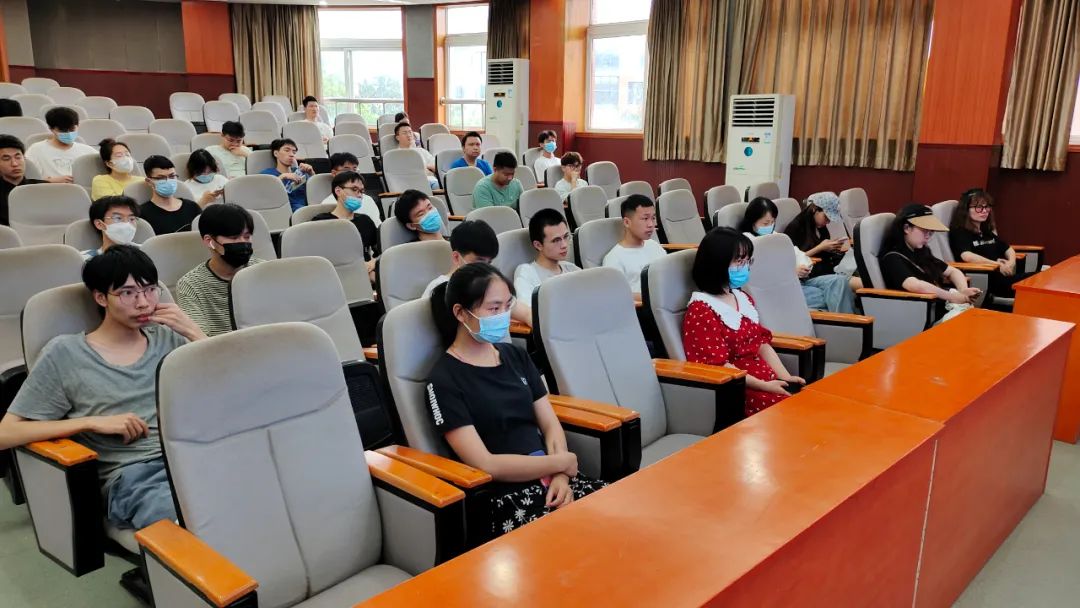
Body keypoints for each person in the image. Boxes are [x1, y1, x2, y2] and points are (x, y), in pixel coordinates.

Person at [0, 245, 207, 529]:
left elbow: (231, 391)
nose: (143, 303)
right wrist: (90, 423)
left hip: (194, 456)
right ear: (100, 297)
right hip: (136, 477)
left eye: (150, 290)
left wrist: (194, 332)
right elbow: (6, 433)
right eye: (127, 293)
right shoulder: (66, 353)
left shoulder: (168, 337)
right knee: (199, 523)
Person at [426, 263, 604, 536]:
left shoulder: (515, 356)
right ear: (461, 313)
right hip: (508, 498)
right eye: (493, 308)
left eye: (507, 305)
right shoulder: (443, 380)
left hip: (556, 480)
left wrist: (561, 477)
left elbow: (549, 425)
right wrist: (561, 464)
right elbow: (485, 463)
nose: (503, 316)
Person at [682, 228, 805, 416]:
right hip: (739, 390)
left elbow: (761, 345)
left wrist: (786, 378)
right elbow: (718, 366)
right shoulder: (701, 310)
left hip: (767, 381)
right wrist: (765, 385)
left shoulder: (742, 298)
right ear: (717, 264)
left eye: (748, 261)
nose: (745, 267)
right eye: (739, 261)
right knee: (796, 415)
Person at [740, 196, 856, 314]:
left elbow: (797, 254)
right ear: (752, 222)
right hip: (780, 287)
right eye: (766, 223)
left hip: (798, 280)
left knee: (839, 282)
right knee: (835, 294)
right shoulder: (748, 243)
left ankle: (846, 322)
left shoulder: (775, 236)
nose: (770, 226)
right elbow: (760, 274)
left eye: (773, 222)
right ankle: (846, 323)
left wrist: (803, 266)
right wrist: (790, 272)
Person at [879, 203, 980, 323]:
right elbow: (915, 285)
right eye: (924, 230)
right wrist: (953, 297)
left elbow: (953, 271)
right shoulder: (892, 257)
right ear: (906, 228)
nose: (928, 236)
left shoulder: (921, 252)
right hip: (919, 317)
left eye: (930, 232)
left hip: (941, 311)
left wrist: (963, 291)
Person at [175, 203, 264, 337]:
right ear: (209, 241)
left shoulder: (265, 272)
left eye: (247, 237)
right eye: (234, 238)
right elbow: (197, 339)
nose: (242, 242)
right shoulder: (190, 285)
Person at [948, 188, 1021, 299]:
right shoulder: (959, 232)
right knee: (1035, 282)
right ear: (966, 209)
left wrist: (1011, 263)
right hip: (989, 282)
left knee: (1039, 278)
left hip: (1005, 278)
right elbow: (966, 256)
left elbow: (1008, 248)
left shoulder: (985, 230)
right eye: (979, 207)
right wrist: (996, 265)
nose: (984, 211)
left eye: (987, 207)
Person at [783, 192, 861, 289]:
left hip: (831, 267)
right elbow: (793, 260)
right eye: (826, 217)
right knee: (863, 282)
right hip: (816, 273)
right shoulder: (795, 228)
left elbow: (822, 249)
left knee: (862, 269)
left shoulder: (820, 226)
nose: (828, 222)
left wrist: (832, 247)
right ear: (815, 209)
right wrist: (820, 247)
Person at [602, 194, 666, 294]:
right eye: (645, 219)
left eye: (653, 218)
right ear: (627, 222)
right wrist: (656, 297)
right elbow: (616, 294)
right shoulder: (614, 259)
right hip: (645, 303)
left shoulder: (654, 245)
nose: (651, 224)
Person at [313, 170, 380, 263]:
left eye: (361, 191)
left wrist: (374, 262)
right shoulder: (321, 222)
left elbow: (380, 250)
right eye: (354, 189)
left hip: (365, 268)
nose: (359, 195)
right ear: (338, 191)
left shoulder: (365, 221)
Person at [422, 219, 500, 297]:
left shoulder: (489, 286)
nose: (485, 269)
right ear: (456, 257)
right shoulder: (438, 289)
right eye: (480, 262)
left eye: (489, 263)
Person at [514, 208, 580, 300]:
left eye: (566, 236)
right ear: (538, 245)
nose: (564, 245)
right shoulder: (527, 273)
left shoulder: (572, 268)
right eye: (556, 240)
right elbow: (527, 307)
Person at [25, 107, 96, 183]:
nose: (68, 133)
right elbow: (26, 179)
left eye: (72, 129)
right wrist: (49, 181)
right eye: (63, 130)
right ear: (51, 129)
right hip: (47, 189)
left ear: (78, 126)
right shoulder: (35, 150)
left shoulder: (88, 152)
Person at [138, 155, 200, 234]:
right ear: (149, 182)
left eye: (172, 176)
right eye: (161, 178)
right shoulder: (142, 214)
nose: (168, 181)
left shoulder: (192, 207)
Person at [318, 152, 381, 227]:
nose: (352, 174)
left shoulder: (368, 200)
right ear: (334, 173)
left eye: (355, 170)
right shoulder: (326, 204)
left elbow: (377, 227)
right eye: (347, 170)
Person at [0, 134, 44, 226]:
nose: (15, 164)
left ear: (24, 158)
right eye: (6, 159)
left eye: (18, 157)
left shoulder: (44, 188)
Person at [261, 138, 313, 212]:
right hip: (283, 212)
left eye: (294, 152)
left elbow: (316, 194)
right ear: (276, 153)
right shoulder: (267, 174)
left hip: (306, 210)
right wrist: (282, 177)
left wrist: (312, 174)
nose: (292, 155)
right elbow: (264, 196)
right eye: (287, 150)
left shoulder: (301, 172)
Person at [81, 195, 141, 260]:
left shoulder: (145, 250)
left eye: (131, 219)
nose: (126, 224)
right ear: (99, 224)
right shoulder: (85, 259)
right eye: (118, 218)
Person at [394, 122, 438, 189]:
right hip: (411, 184)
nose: (409, 135)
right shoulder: (395, 155)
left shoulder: (421, 151)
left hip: (431, 181)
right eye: (405, 133)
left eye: (410, 132)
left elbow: (437, 166)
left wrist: (426, 166)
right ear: (397, 137)